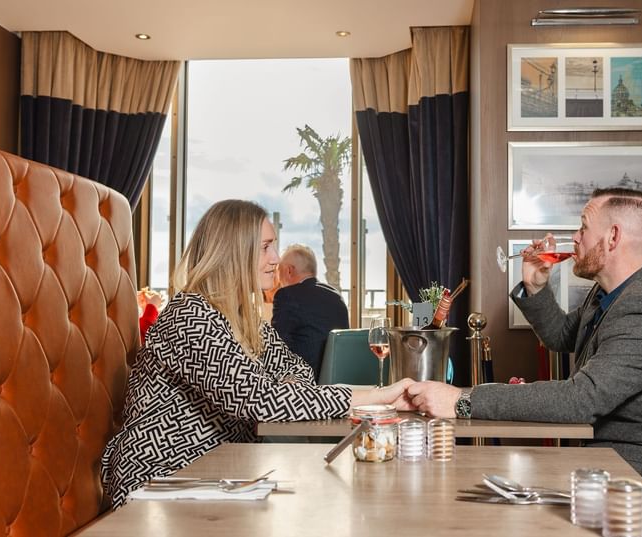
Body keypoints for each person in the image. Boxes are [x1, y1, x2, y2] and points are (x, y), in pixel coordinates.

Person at [405, 188, 642, 536]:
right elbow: (562, 337)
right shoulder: (611, 295)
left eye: (583, 227)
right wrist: (536, 287)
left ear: (612, 237)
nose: (574, 237)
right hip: (628, 474)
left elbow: (580, 400)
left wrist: (462, 399)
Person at [101, 200, 411, 509]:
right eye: (265, 247)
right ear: (232, 250)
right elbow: (260, 401)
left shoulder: (243, 319)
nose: (275, 259)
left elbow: (298, 369)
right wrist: (379, 397)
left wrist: (282, 388)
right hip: (158, 480)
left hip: (217, 478)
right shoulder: (190, 315)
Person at [272, 244, 349, 381]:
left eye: (279, 271)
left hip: (302, 384)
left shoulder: (286, 295)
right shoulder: (336, 296)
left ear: (289, 271)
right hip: (338, 383)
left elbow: (276, 345)